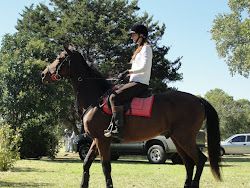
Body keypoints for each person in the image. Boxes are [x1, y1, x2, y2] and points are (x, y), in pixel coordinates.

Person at [104, 23, 153, 139]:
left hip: (140, 84)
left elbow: (145, 68)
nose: (131, 37)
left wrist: (129, 72)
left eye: (133, 34)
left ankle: (119, 129)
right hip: (134, 82)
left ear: (141, 35)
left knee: (114, 97)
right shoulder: (139, 49)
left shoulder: (146, 48)